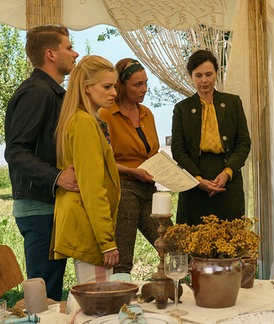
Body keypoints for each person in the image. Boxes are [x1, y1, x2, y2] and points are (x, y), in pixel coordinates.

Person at [4, 25, 79, 300]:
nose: (75, 53)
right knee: (43, 295)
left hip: (50, 205)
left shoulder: (53, 92)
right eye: (68, 47)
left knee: (51, 290)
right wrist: (58, 177)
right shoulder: (37, 91)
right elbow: (15, 151)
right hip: (38, 207)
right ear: (50, 54)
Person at [51, 55, 120, 284]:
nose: (114, 93)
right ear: (86, 88)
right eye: (107, 86)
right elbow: (92, 187)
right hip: (89, 225)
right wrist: (107, 241)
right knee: (100, 306)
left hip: (87, 222)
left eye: (115, 87)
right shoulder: (83, 122)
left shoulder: (83, 118)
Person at [171, 49, 251, 225]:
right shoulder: (182, 109)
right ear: (191, 77)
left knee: (230, 242)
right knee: (194, 241)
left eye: (209, 74)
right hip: (194, 182)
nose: (204, 80)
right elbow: (178, 149)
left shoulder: (233, 103)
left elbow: (243, 143)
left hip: (228, 181)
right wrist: (198, 180)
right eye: (198, 75)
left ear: (216, 73)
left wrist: (227, 172)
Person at [98, 58, 161, 274]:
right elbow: (101, 161)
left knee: (172, 246)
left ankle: (173, 290)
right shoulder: (105, 115)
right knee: (123, 257)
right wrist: (132, 171)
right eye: (137, 85)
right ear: (120, 86)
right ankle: (121, 302)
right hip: (123, 187)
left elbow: (153, 153)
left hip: (149, 188)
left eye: (146, 83)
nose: (144, 89)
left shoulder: (147, 113)